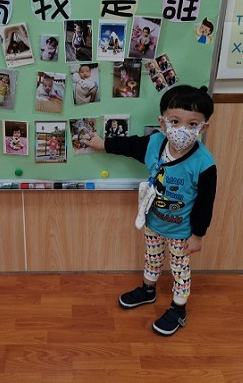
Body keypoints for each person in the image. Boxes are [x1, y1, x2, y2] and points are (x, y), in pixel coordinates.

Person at [81, 85, 217, 337]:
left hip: (182, 231)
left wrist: (198, 235)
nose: (182, 130)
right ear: (163, 122)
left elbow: (206, 202)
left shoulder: (204, 163)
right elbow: (130, 145)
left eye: (191, 124)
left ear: (203, 128)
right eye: (175, 121)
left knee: (179, 269)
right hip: (153, 222)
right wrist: (104, 144)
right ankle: (148, 290)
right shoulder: (155, 143)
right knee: (152, 258)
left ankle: (178, 309)